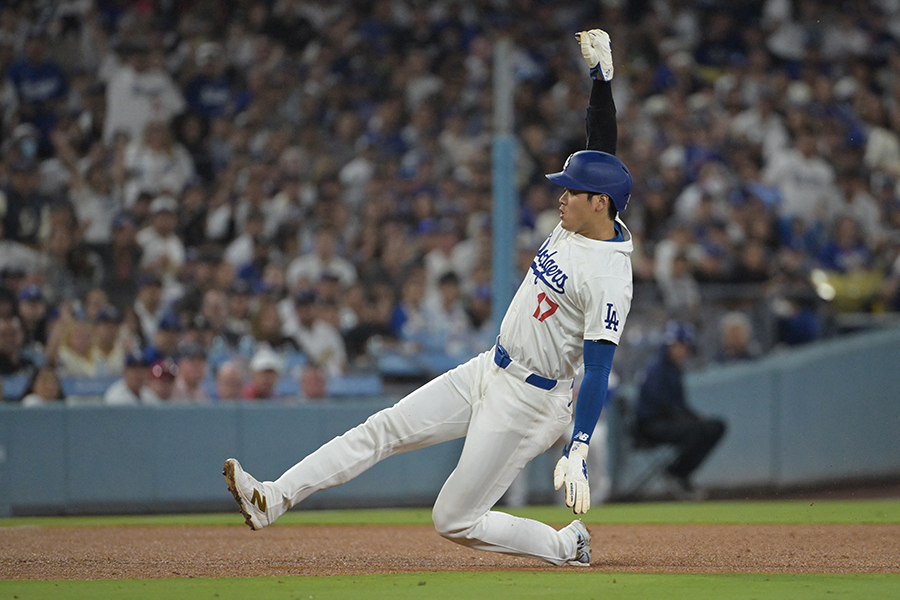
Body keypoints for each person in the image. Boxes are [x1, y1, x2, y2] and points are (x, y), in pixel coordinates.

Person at [225, 29, 632, 567]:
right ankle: (272, 497)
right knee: (384, 428)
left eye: (571, 191)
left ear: (600, 203)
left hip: (533, 401)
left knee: (453, 520)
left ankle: (564, 544)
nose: (560, 195)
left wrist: (578, 447)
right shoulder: (583, 221)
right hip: (491, 367)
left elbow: (600, 367)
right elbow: (600, 142)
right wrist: (602, 78)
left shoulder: (608, 274)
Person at [634, 322, 727, 500]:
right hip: (651, 426)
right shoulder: (656, 368)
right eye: (683, 346)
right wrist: (690, 420)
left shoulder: (673, 369)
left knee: (715, 426)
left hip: (669, 422)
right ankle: (676, 473)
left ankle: (679, 474)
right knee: (697, 430)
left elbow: (679, 405)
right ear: (672, 344)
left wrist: (696, 418)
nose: (685, 351)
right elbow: (659, 406)